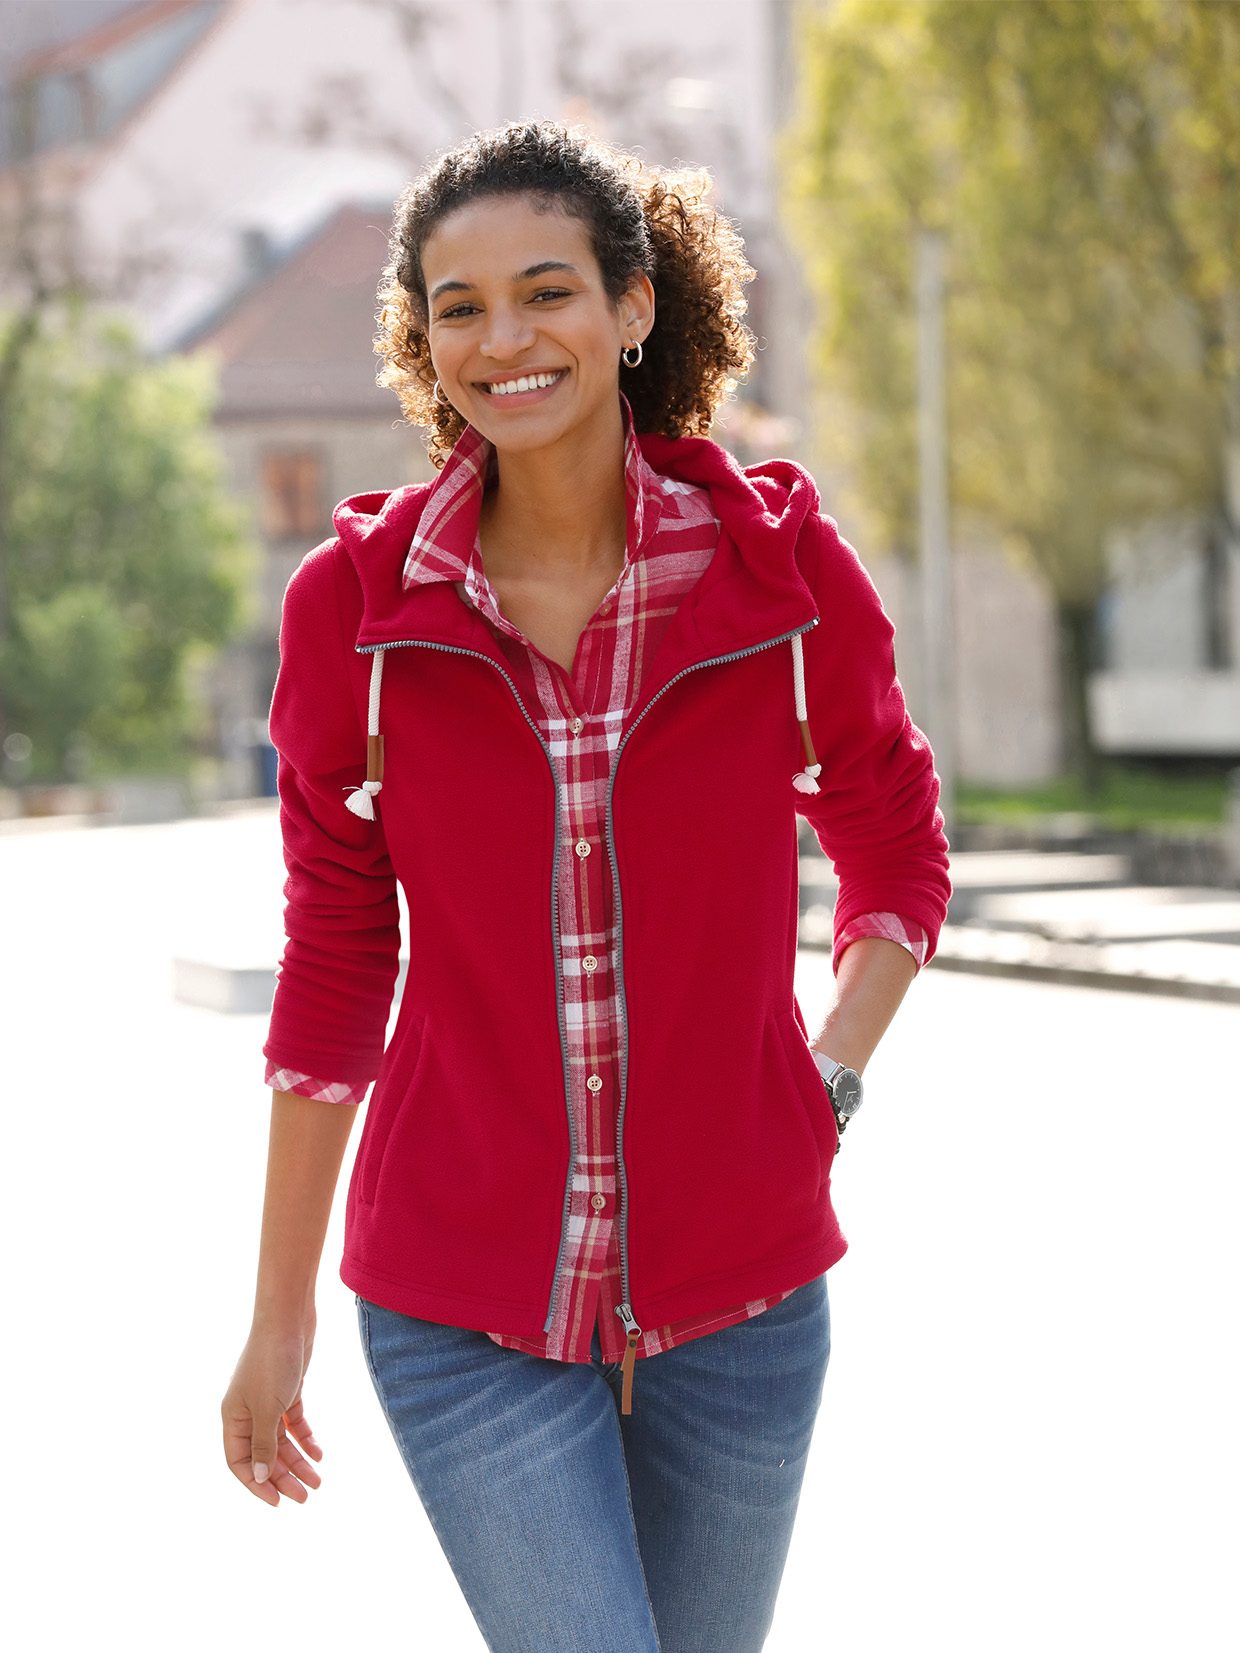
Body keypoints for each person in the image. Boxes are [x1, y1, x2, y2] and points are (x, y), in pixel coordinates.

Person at [221, 120, 952, 1653]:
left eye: (546, 291)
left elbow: (892, 836)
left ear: (633, 309)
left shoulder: (780, 574)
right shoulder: (355, 611)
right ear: (423, 343)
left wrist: (831, 1072)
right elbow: (337, 967)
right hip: (461, 1301)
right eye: (458, 306)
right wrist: (277, 1313)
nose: (505, 339)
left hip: (746, 1306)